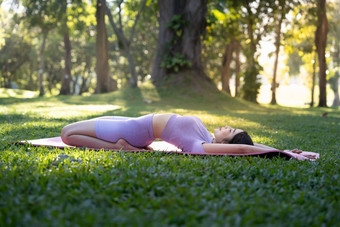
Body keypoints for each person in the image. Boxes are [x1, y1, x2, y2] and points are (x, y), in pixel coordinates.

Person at [61, 113, 316, 159]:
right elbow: (249, 144)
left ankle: (120, 149)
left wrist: (279, 156)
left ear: (223, 143)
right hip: (133, 122)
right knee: (74, 128)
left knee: (66, 135)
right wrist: (284, 149)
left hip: (130, 133)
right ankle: (118, 146)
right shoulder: (206, 135)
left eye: (231, 131)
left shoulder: (199, 145)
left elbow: (243, 149)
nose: (227, 126)